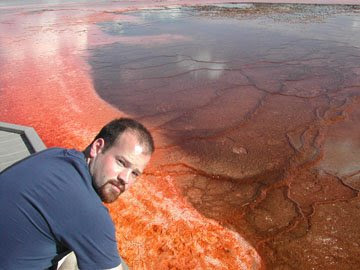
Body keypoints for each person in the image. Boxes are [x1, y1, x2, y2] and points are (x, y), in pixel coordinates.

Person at [0, 118, 154, 270]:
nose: (125, 179)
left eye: (134, 173)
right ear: (98, 147)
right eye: (121, 162)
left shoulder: (55, 156)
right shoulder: (89, 213)